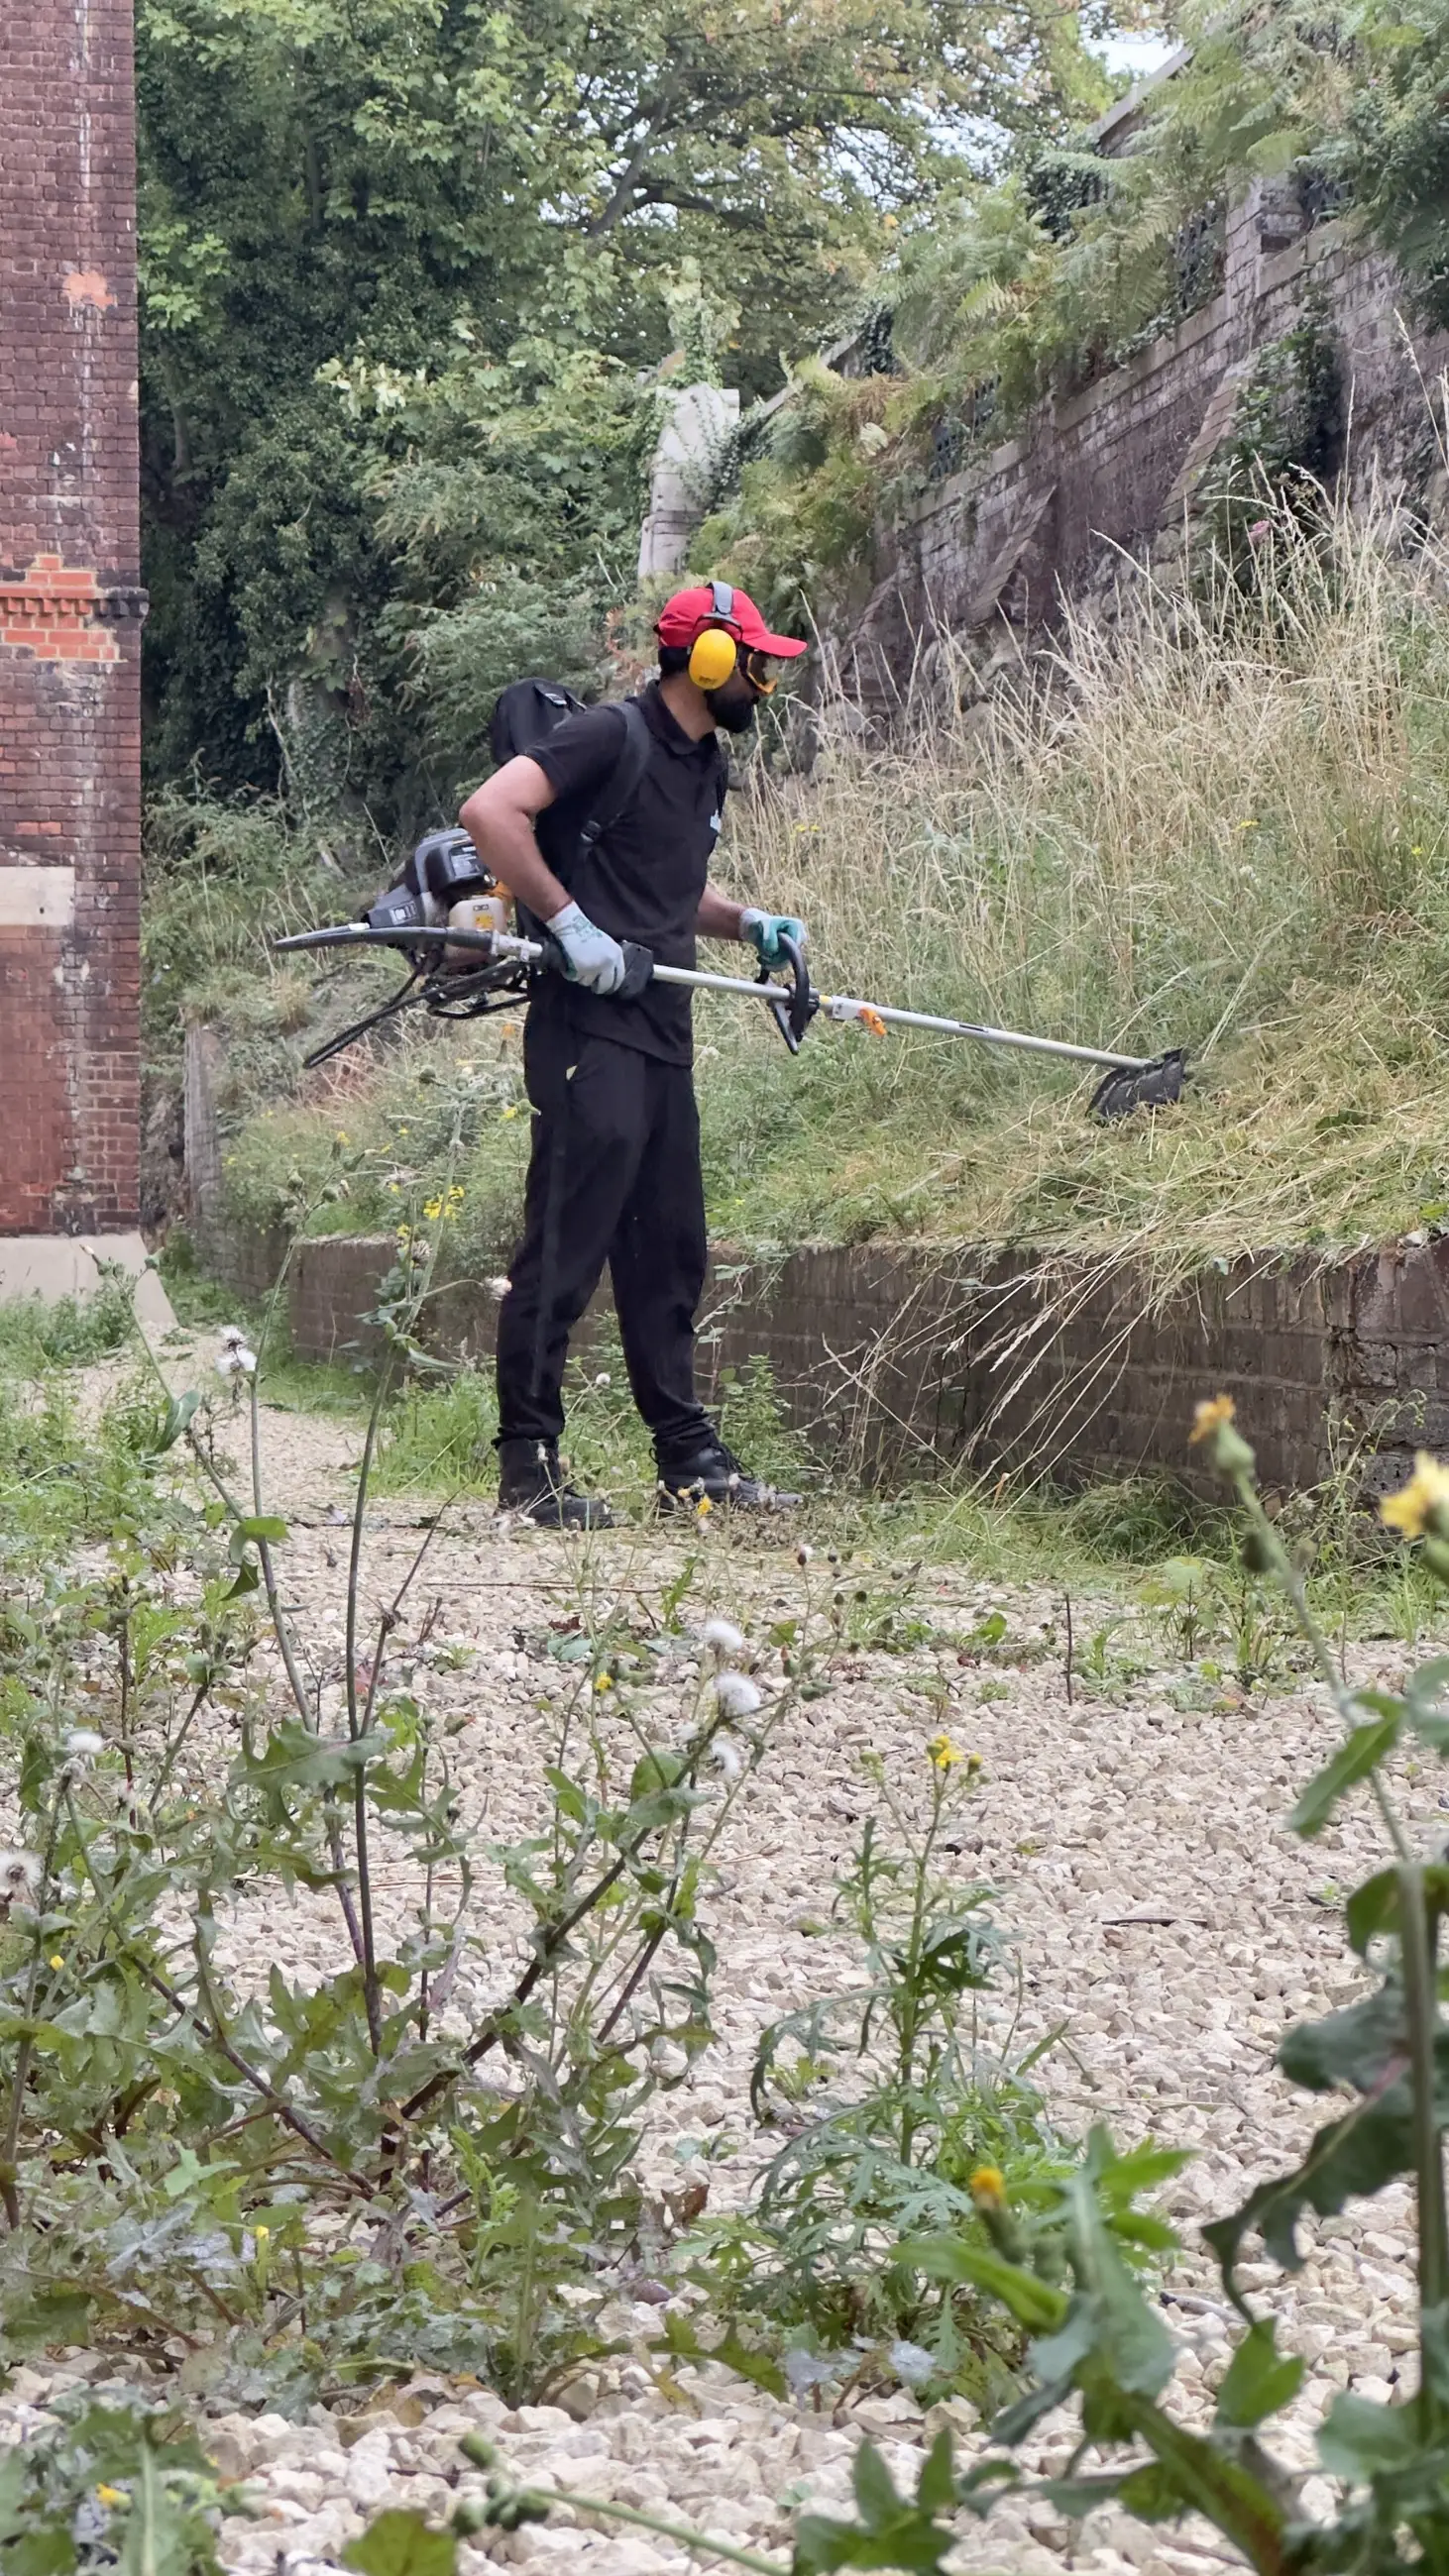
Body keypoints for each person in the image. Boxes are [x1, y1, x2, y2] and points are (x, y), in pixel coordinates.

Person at [458, 581, 809, 1529]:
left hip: (660, 1029)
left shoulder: (703, 767)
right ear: (706, 660)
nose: (765, 681)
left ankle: (687, 1459)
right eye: (754, 663)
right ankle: (529, 1470)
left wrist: (748, 924)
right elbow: (491, 811)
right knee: (567, 1247)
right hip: (586, 1030)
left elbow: (667, 887)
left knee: (669, 1252)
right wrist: (569, 924)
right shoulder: (609, 737)